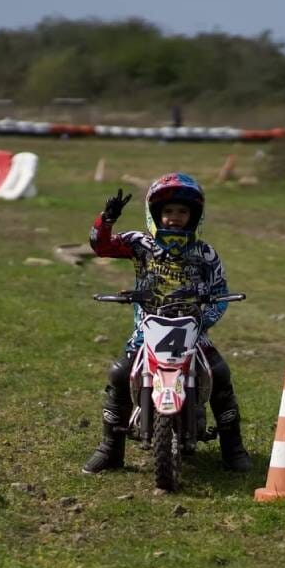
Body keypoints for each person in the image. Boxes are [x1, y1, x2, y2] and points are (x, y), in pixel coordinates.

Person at [82, 173, 252, 474]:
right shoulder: (139, 243)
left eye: (182, 212)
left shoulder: (206, 252)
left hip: (193, 330)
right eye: (168, 212)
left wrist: (206, 320)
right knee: (120, 374)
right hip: (147, 329)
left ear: (194, 216)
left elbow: (220, 293)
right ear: (156, 214)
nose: (175, 218)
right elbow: (102, 247)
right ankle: (110, 448)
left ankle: (233, 447)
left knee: (220, 374)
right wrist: (106, 219)